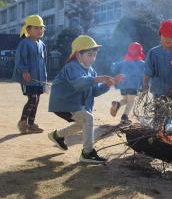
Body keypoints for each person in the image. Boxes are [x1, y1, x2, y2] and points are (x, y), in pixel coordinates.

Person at [47, 35, 123, 163]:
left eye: (94, 55)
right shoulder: (72, 67)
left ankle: (57, 135)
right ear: (78, 55)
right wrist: (96, 79)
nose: (93, 58)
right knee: (88, 118)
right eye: (89, 54)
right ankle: (87, 153)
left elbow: (94, 91)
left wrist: (107, 84)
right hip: (65, 103)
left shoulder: (91, 71)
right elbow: (79, 84)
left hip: (75, 105)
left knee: (82, 123)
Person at [142, 19, 172, 126]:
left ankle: (168, 132)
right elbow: (148, 70)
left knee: (171, 113)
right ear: (160, 35)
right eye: (165, 36)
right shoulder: (153, 53)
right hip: (158, 90)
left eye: (171, 37)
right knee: (158, 113)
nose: (168, 39)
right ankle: (157, 131)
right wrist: (145, 83)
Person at [13, 15, 47, 134]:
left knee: (36, 100)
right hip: (28, 78)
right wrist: (24, 71)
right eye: (36, 28)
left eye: (41, 28)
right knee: (32, 99)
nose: (40, 30)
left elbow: (43, 63)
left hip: (38, 79)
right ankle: (23, 123)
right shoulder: (24, 43)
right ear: (28, 30)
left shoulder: (42, 44)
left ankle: (31, 124)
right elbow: (19, 60)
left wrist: (44, 79)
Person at [110, 42, 146, 124]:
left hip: (122, 84)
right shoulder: (141, 63)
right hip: (132, 85)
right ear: (139, 51)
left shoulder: (124, 61)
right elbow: (146, 72)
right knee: (131, 101)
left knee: (125, 99)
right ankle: (124, 117)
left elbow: (114, 65)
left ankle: (118, 104)